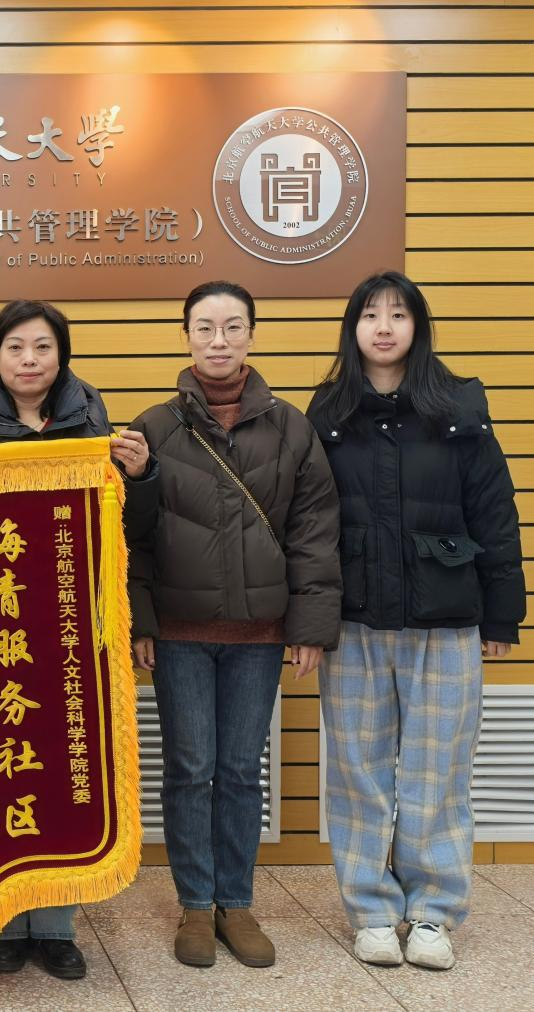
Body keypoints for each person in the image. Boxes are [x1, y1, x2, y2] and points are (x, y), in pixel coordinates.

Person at [307, 271, 524, 971]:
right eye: (370, 314)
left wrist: (502, 614)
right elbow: (307, 523)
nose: (384, 326)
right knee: (358, 774)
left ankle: (433, 915)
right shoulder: (329, 411)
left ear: (418, 327)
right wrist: (307, 618)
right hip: (355, 622)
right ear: (353, 328)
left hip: (446, 621)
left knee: (439, 772)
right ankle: (372, 911)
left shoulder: (458, 407)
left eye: (398, 314)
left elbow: (494, 512)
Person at [0, 299, 155, 980]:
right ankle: (3, 922)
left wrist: (139, 476)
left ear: (62, 356)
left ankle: (56, 927)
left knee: (60, 768)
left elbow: (129, 528)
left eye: (42, 347)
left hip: (66, 623)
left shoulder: (93, 422)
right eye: (16, 348)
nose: (29, 360)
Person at [127, 280, 340, 970]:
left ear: (251, 334)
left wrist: (309, 626)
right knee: (190, 769)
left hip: (260, 635)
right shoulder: (154, 427)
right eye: (205, 327)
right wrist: (141, 622)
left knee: (242, 770)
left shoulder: (291, 427)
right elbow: (133, 539)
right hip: (181, 634)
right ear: (186, 335)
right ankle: (195, 904)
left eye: (232, 327)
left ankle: (236, 903)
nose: (218, 341)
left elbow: (314, 532)